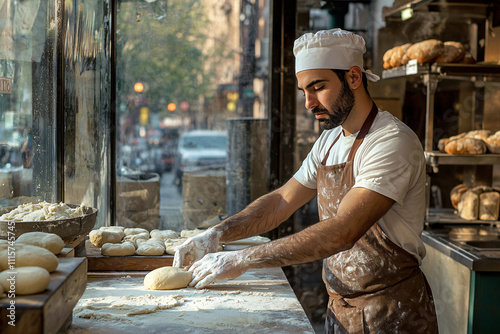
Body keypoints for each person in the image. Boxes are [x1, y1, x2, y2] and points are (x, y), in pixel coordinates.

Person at [173, 28, 438, 333]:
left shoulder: (391, 142)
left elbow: (343, 231)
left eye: (318, 87)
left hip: (393, 314)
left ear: (353, 77)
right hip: (340, 308)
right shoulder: (329, 142)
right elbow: (280, 202)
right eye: (304, 91)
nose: (309, 102)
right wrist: (218, 233)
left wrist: (244, 259)